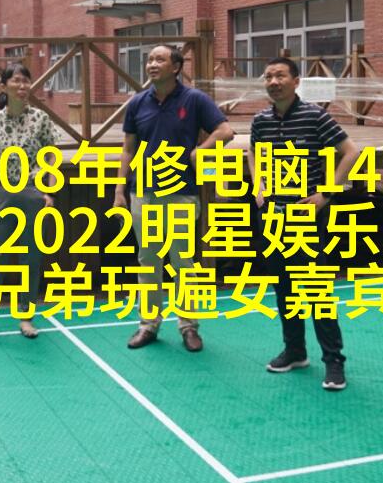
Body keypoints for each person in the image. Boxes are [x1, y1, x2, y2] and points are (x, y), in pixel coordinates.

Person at [113, 44, 234, 352]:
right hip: (144, 194)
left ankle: (188, 326)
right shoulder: (137, 103)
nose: (152, 64)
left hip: (181, 194)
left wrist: (200, 151)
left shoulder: (194, 99)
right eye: (150, 60)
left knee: (183, 262)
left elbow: (225, 131)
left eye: (160, 59)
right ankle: (148, 324)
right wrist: (119, 190)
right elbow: (128, 149)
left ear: (176, 67)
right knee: (148, 260)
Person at [249, 58, 360, 391]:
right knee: (283, 287)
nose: (273, 81)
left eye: (280, 75)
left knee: (316, 289)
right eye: (268, 76)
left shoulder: (314, 115)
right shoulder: (261, 120)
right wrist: (258, 186)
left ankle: (334, 361)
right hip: (273, 215)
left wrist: (326, 193)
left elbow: (350, 152)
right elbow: (253, 152)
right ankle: (295, 351)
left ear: (296, 81)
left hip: (304, 216)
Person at [0, 63, 59, 343]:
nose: (22, 86)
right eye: (17, 81)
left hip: (32, 193)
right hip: (1, 193)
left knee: (31, 257)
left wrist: (49, 192)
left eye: (26, 81)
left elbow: (51, 156)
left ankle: (26, 317)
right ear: (4, 86)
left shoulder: (41, 118)